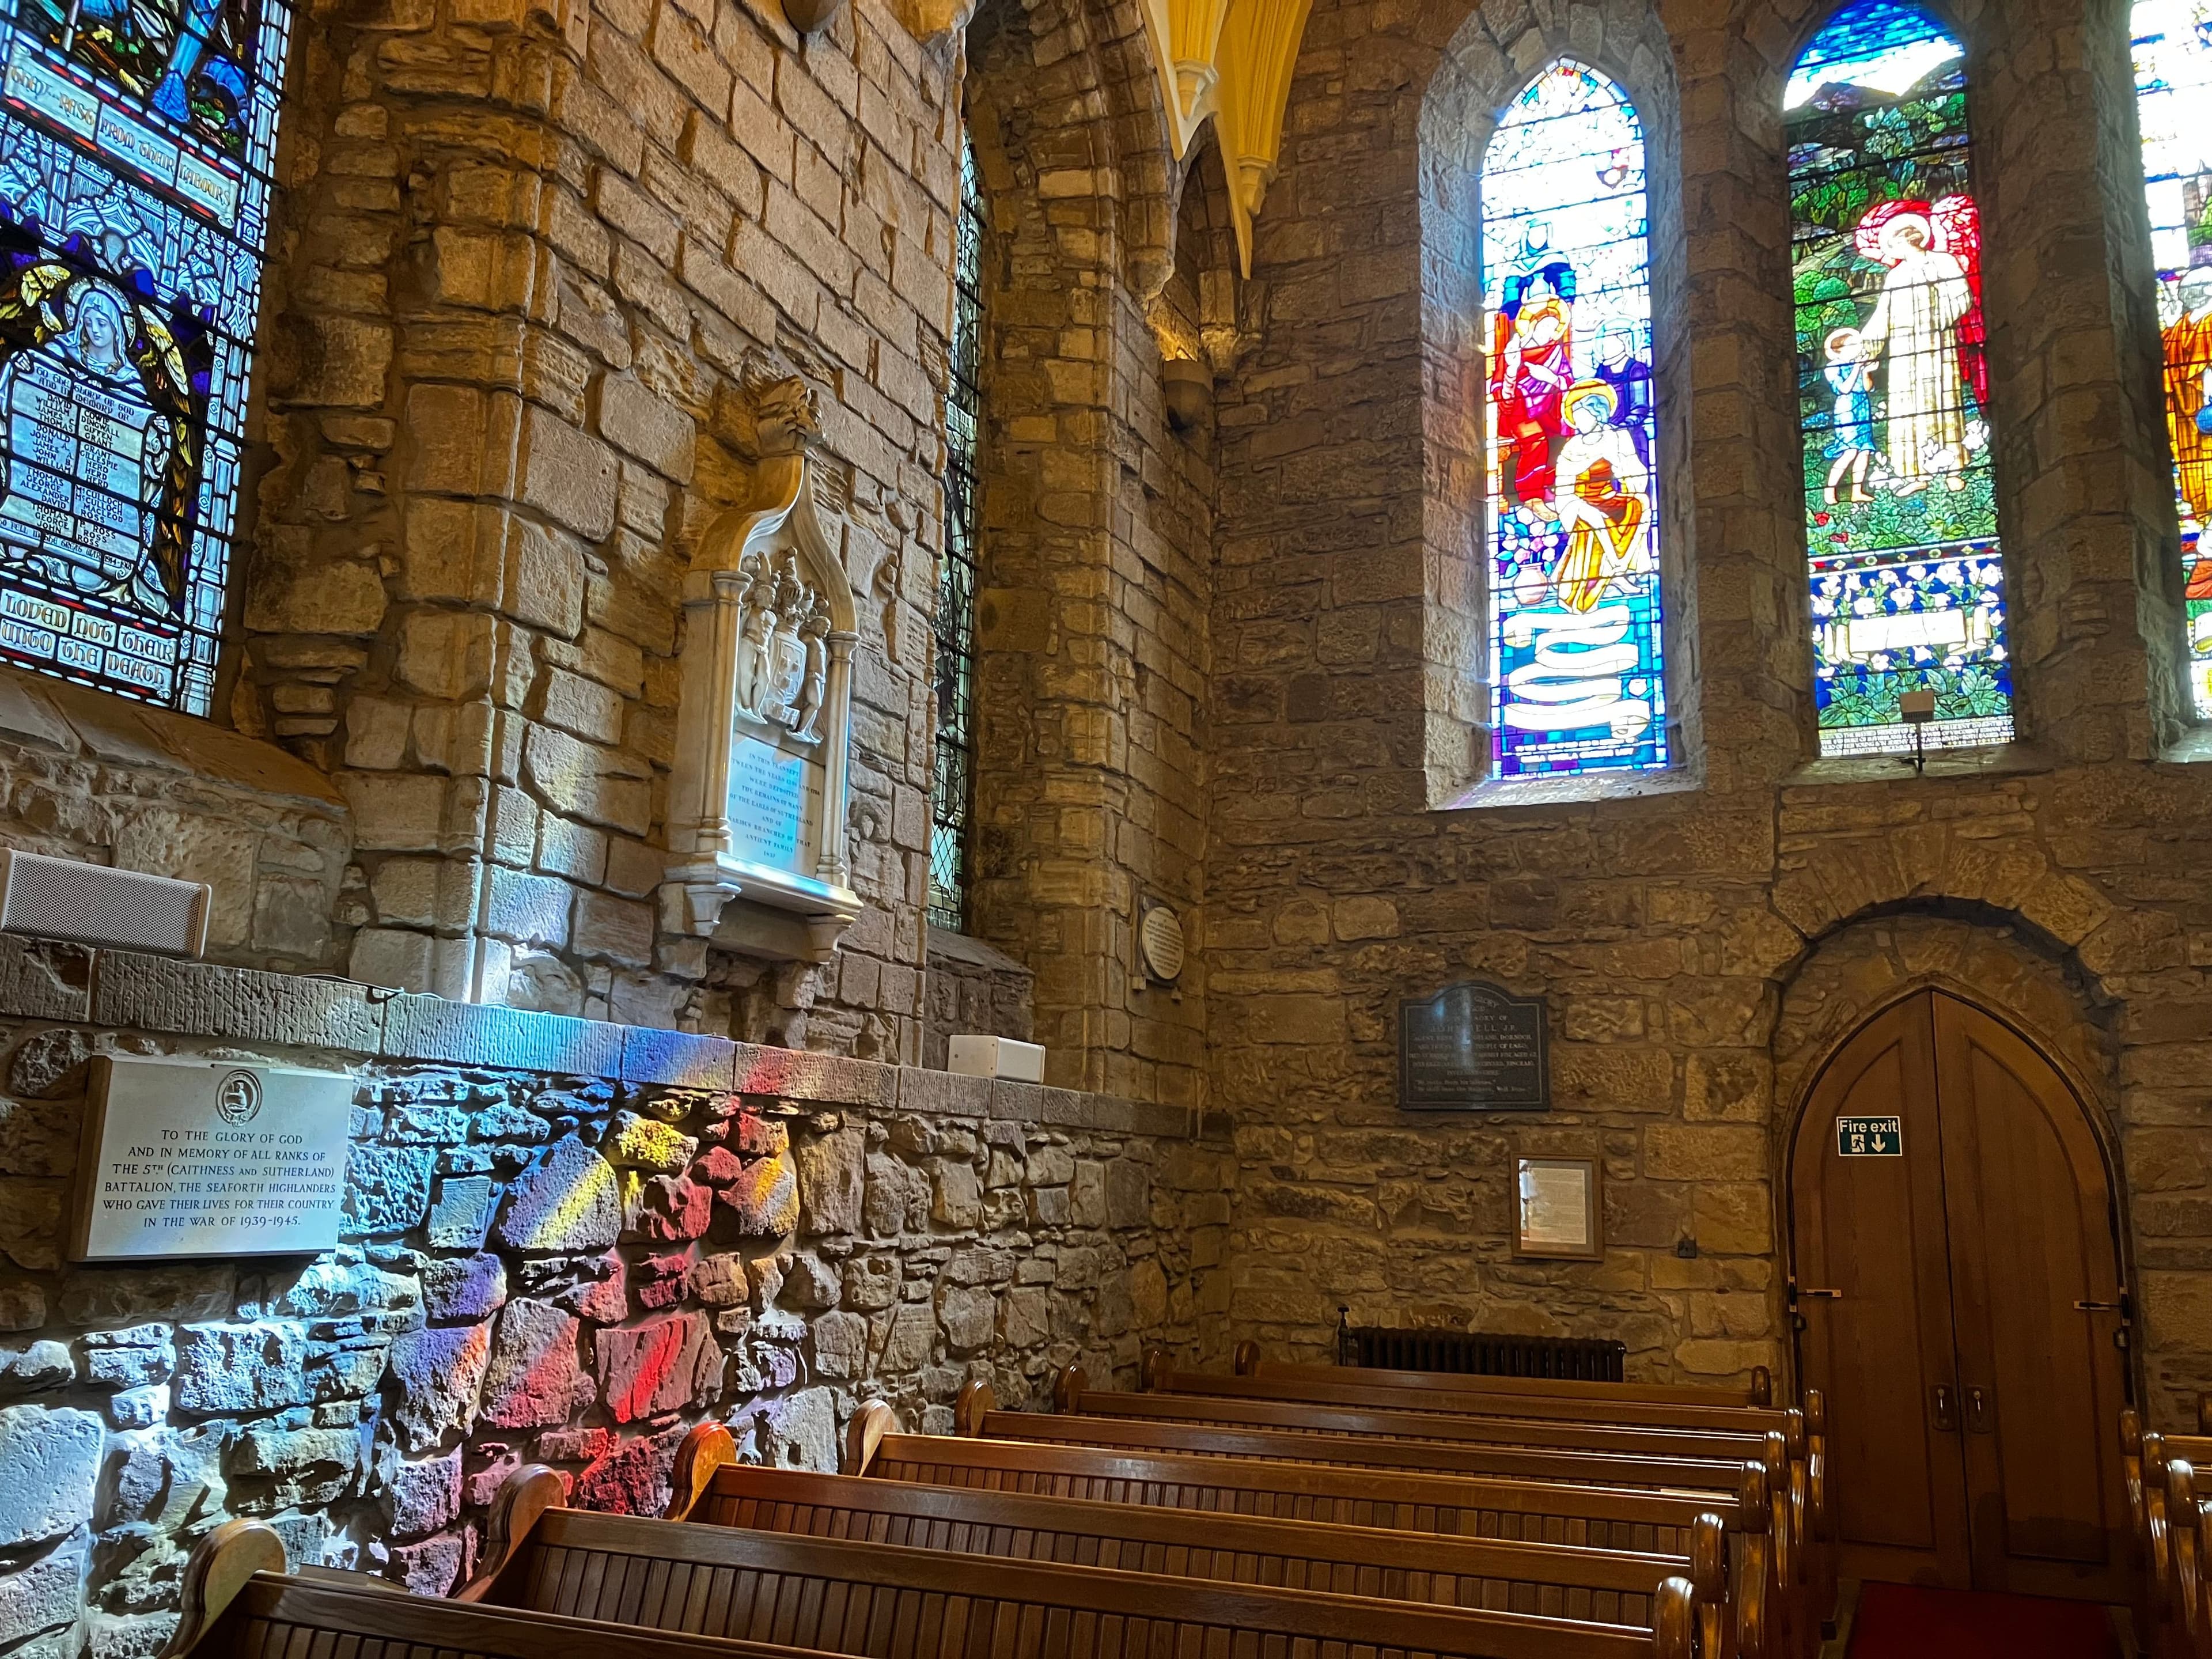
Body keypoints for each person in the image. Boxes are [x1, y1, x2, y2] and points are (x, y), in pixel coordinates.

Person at [1855, 200, 1978, 495]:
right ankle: (1915, 475)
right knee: (1907, 409)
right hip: (1903, 350)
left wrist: (1938, 319)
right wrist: (1866, 345)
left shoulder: (1943, 261)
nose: (1898, 243)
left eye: (1901, 237)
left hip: (1937, 343)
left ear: (1915, 236)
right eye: (1895, 240)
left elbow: (1962, 296)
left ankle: (1953, 470)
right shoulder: (1895, 276)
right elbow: (1882, 314)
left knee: (1943, 400)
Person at [1548, 381, 1650, 613]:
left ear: (1598, 414)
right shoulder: (1572, 447)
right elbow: (1563, 486)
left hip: (1608, 497)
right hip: (1578, 502)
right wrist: (1572, 506)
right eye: (1574, 416)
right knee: (1595, 519)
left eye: (1582, 415)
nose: (1577, 421)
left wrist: (1621, 464)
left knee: (1639, 504)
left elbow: (1635, 475)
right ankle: (1614, 570)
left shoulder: (1617, 437)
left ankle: (1619, 574)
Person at [1489, 260, 1577, 510]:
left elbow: (1566, 382)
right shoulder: (1513, 350)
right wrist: (1513, 369)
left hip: (1548, 408)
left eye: (1553, 328)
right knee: (1537, 440)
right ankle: (1531, 496)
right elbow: (1501, 394)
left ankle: (1552, 487)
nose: (1549, 333)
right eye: (1545, 326)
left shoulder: (1555, 351)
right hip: (1517, 412)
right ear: (1534, 325)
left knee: (1563, 432)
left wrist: (1552, 380)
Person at [2164, 266, 2212, 524]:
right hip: (2205, 413)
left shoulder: (2178, 329)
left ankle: (2207, 520)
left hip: (2185, 420)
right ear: (2206, 290)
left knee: (2195, 464)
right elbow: (2206, 371)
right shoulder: (2210, 323)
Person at [1821, 325, 1876, 505]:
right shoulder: (1833, 367)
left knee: (1865, 451)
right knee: (1850, 450)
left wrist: (1866, 371)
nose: (1857, 347)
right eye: (1852, 344)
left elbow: (1867, 388)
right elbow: (1844, 389)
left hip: (1863, 406)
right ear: (1839, 349)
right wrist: (1857, 369)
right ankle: (1829, 491)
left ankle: (1857, 491)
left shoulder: (1858, 365)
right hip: (1847, 409)